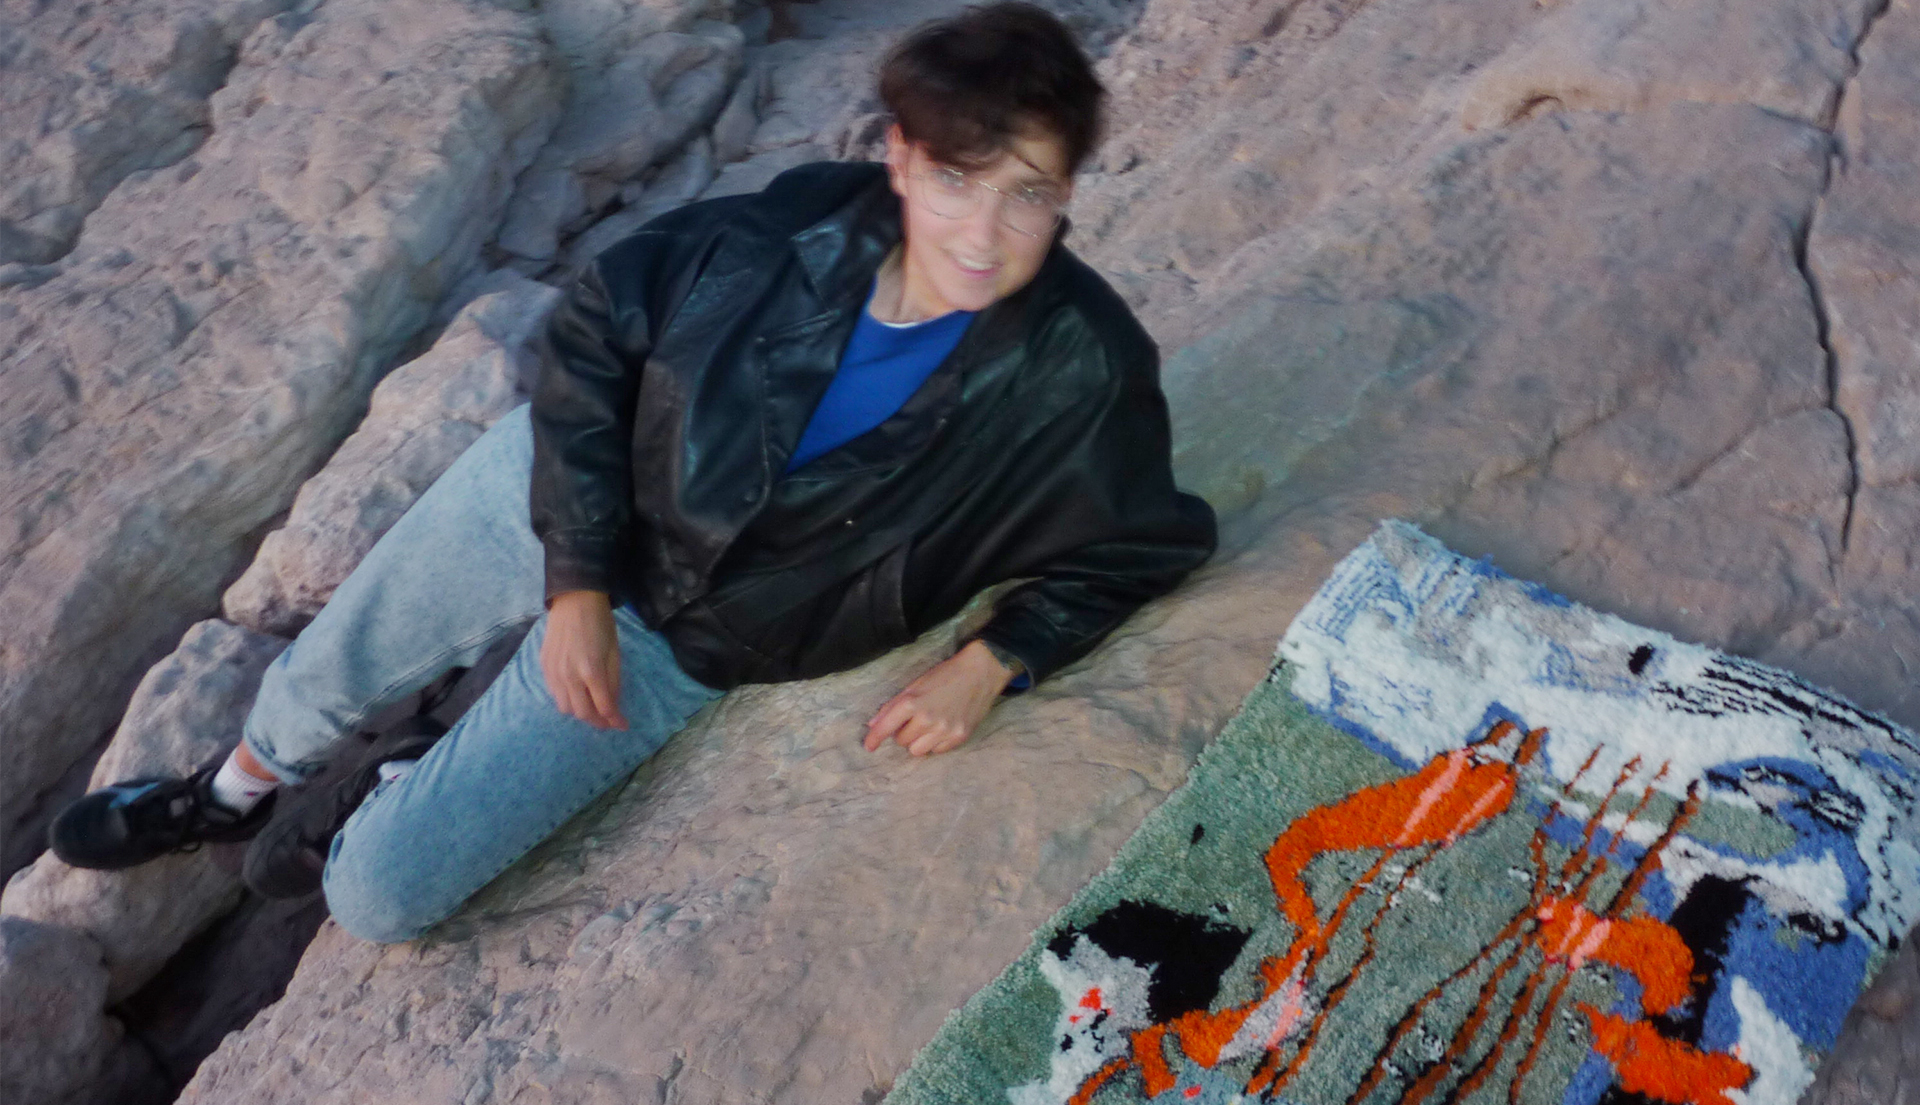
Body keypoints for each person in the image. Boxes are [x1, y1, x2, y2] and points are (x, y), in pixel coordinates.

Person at [51, 2, 1216, 943]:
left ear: (1067, 193)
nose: (984, 233)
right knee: (335, 662)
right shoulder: (802, 220)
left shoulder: (1083, 367)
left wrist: (995, 661)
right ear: (903, 158)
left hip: (691, 644)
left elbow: (1150, 541)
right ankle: (230, 790)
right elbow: (597, 329)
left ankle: (396, 778)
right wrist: (576, 583)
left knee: (375, 900)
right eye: (960, 179)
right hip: (577, 486)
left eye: (1028, 193)